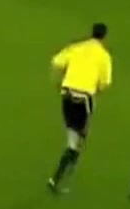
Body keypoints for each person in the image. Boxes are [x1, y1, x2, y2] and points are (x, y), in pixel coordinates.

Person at [48, 23, 113, 194]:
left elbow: (56, 62)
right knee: (79, 140)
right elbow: (105, 83)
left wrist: (58, 83)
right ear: (104, 36)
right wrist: (95, 89)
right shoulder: (104, 56)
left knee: (73, 135)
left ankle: (62, 176)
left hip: (67, 95)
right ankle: (58, 179)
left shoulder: (75, 47)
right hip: (84, 98)